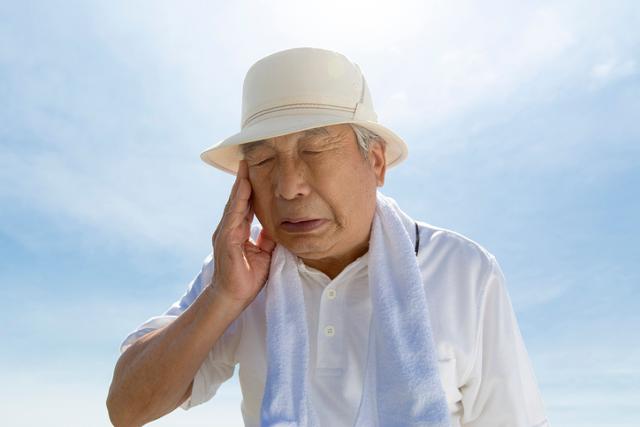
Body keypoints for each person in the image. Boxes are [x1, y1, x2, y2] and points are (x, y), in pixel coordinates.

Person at [106, 47, 550, 427]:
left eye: (315, 150)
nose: (287, 186)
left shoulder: (463, 270)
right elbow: (126, 408)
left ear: (375, 163)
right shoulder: (236, 274)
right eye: (262, 161)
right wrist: (223, 296)